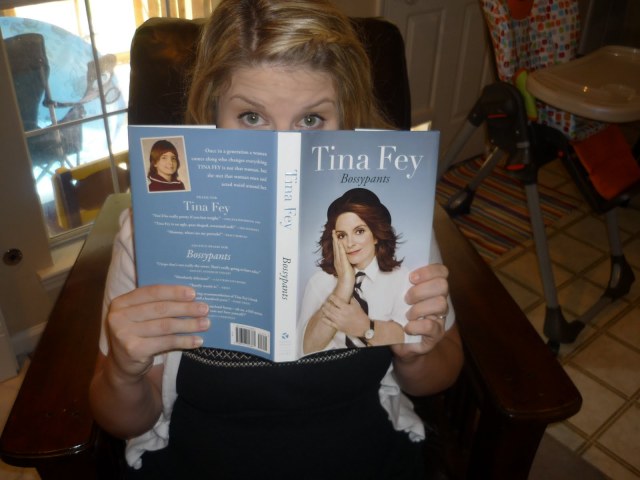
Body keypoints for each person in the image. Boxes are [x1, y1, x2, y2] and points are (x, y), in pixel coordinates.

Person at [89, 0, 463, 478]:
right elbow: (124, 420)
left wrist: (415, 355)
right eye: (251, 117)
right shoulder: (150, 231)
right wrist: (124, 372)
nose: (283, 148)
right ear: (212, 110)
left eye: (311, 120)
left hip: (362, 450)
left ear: (347, 115)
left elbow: (440, 375)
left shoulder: (387, 218)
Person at [300, 188, 412, 354]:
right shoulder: (319, 281)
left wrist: (365, 327)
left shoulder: (402, 278)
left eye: (359, 231)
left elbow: (410, 343)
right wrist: (344, 284)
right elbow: (306, 349)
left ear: (376, 235)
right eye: (341, 235)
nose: (350, 243)